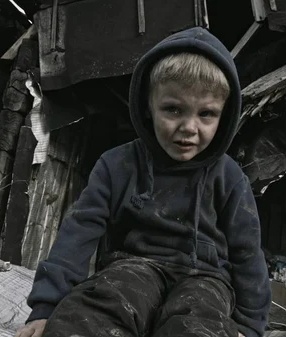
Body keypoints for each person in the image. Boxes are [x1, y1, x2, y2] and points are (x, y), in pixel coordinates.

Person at [15, 26, 271, 337]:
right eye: (173, 109)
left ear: (224, 116)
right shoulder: (116, 165)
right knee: (102, 303)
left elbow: (247, 256)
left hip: (206, 278)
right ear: (149, 107)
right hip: (133, 267)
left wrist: (249, 328)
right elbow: (79, 232)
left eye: (206, 114)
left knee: (200, 318)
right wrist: (46, 308)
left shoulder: (230, 178)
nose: (189, 127)